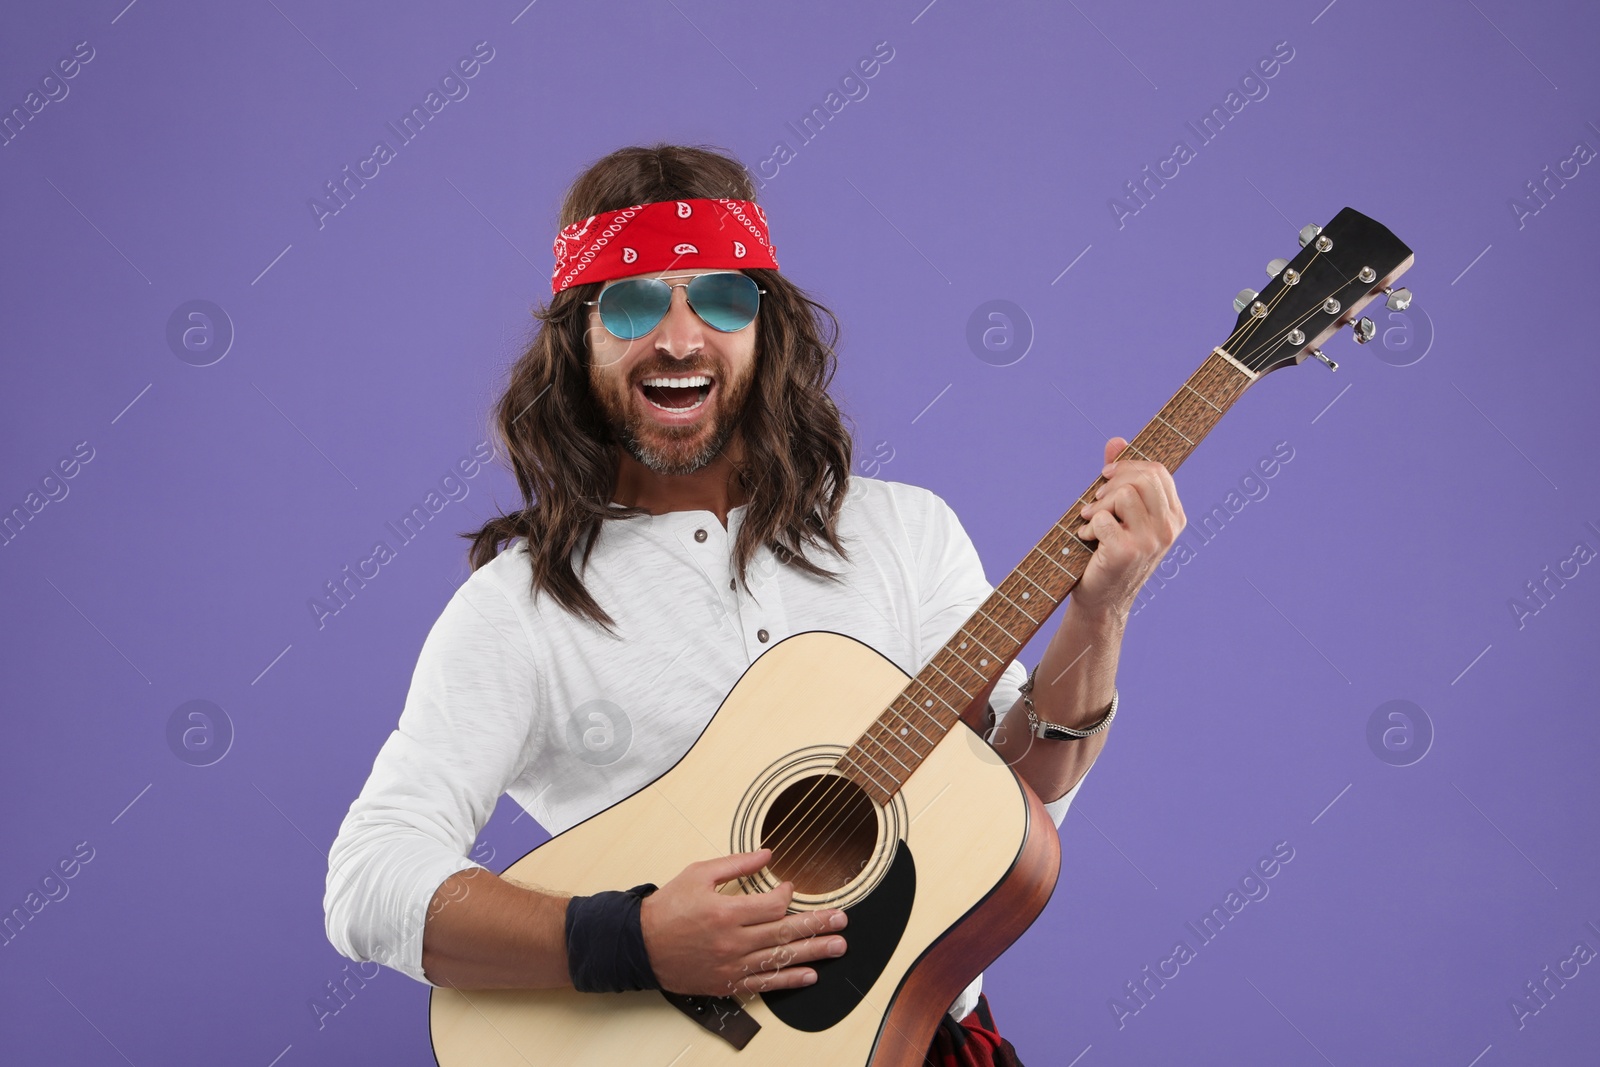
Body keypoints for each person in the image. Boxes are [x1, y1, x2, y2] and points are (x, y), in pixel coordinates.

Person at [322, 143, 1185, 1065]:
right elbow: (369, 882)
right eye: (632, 301)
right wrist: (635, 939)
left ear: (767, 328)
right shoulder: (521, 608)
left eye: (723, 298)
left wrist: (1099, 614)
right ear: (577, 337)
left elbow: (1014, 793)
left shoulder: (907, 533)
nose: (682, 337)